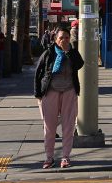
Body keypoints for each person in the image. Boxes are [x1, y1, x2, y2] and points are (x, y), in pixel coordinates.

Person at [34, 27, 84, 169]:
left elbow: (80, 64)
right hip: (50, 92)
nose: (64, 40)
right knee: (49, 127)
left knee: (68, 126)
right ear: (56, 40)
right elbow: (38, 73)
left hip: (69, 91)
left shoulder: (72, 53)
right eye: (61, 38)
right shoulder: (49, 53)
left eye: (67, 37)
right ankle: (49, 158)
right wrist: (38, 93)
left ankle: (65, 157)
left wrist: (70, 52)